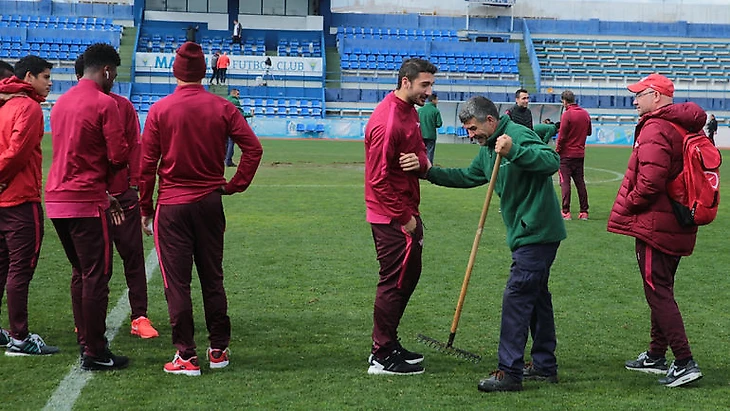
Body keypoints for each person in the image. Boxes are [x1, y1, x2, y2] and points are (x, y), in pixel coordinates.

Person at [403, 95, 565, 392]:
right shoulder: (488, 149)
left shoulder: (516, 135)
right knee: (537, 297)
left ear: (491, 120)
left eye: (473, 128)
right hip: (525, 232)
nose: (470, 134)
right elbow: (469, 176)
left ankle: (509, 372)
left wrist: (514, 150)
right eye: (466, 130)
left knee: (516, 297)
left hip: (538, 232)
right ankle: (543, 365)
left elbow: (550, 161)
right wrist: (427, 172)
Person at [139, 42, 263, 376]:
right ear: (204, 72)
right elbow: (254, 149)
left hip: (173, 205)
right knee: (212, 278)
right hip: (210, 202)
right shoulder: (222, 107)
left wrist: (145, 209)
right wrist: (233, 184)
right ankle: (219, 350)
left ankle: (186, 355)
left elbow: (146, 164)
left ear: (175, 71)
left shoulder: (160, 110)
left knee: (176, 283)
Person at [608, 73, 704, 388]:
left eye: (639, 95)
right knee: (662, 288)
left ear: (656, 96)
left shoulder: (656, 126)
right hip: (677, 220)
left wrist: (630, 204)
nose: (634, 101)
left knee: (657, 291)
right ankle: (655, 354)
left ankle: (684, 361)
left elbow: (650, 181)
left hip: (657, 222)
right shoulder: (683, 124)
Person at [46, 43, 130, 371]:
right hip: (85, 201)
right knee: (97, 274)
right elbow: (118, 155)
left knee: (80, 272)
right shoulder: (104, 104)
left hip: (56, 198)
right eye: (114, 74)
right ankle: (95, 351)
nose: (114, 80)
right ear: (107, 70)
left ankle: (86, 340)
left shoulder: (60, 102)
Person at [73, 55, 159, 340]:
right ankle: (84, 319)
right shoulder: (72, 108)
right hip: (89, 198)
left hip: (122, 197)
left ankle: (139, 317)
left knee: (132, 257)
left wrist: (134, 188)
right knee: (86, 264)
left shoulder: (122, 107)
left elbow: (135, 148)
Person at [364, 57, 435, 376]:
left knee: (407, 277)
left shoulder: (411, 113)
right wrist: (405, 218)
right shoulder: (388, 119)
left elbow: (421, 153)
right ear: (405, 82)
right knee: (393, 281)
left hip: (407, 209)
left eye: (431, 85)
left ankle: (388, 343)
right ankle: (381, 356)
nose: (429, 91)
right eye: (425, 85)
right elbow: (377, 178)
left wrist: (419, 162)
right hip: (391, 216)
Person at [0, 56, 60, 356]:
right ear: (28, 77)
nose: (50, 82)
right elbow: (18, 153)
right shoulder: (28, 107)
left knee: (2, 267)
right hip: (20, 199)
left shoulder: (4, 103)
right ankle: (20, 338)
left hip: (3, 199)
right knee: (20, 269)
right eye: (45, 76)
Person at [556, 90, 592, 221]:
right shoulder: (585, 114)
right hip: (579, 154)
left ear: (564, 101)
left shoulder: (567, 115)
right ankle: (584, 211)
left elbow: (562, 136)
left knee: (565, 183)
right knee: (580, 183)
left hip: (566, 155)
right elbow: (589, 132)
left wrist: (557, 150)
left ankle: (566, 211)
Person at [224, 88, 254, 167]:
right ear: (233, 94)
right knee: (231, 143)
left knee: (226, 143)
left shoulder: (227, 99)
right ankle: (228, 160)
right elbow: (240, 114)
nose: (238, 96)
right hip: (232, 124)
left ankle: (224, 159)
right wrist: (250, 114)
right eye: (237, 94)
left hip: (225, 123)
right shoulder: (235, 101)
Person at [418, 93, 442, 165]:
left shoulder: (420, 110)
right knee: (430, 153)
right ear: (433, 100)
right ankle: (428, 168)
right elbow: (439, 124)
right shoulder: (435, 111)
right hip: (431, 135)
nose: (437, 101)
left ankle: (419, 166)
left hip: (421, 134)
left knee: (420, 151)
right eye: (437, 99)